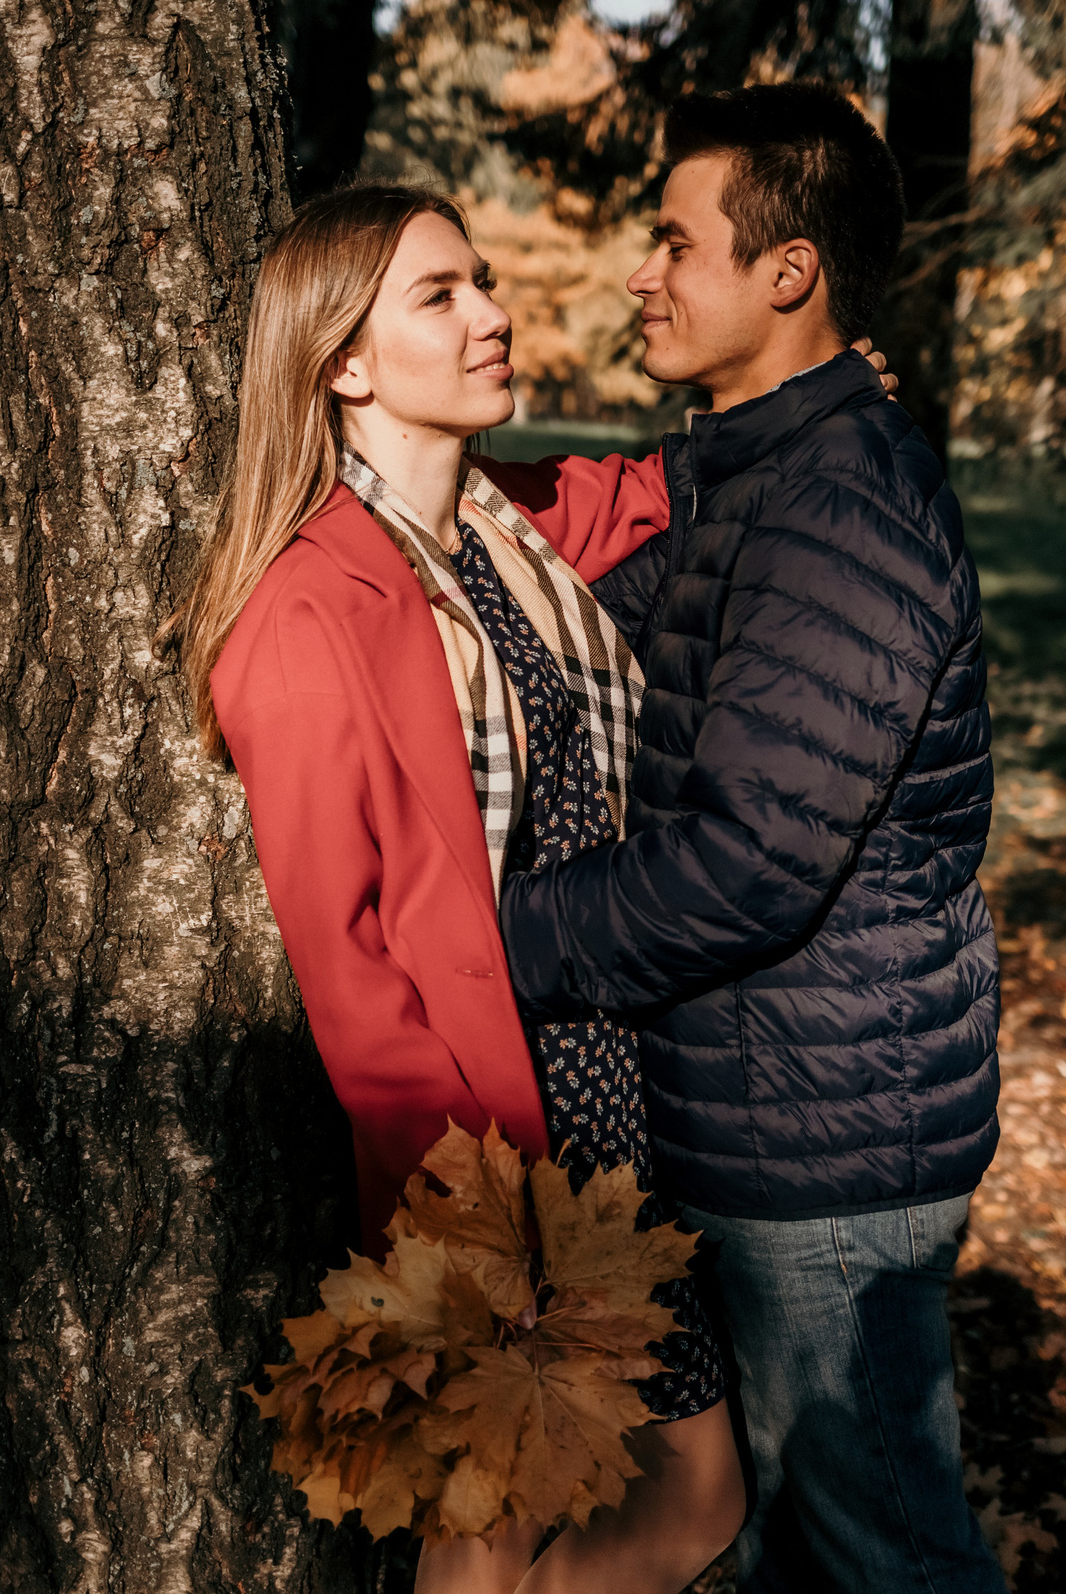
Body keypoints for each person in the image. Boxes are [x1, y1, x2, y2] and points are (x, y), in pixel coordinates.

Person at [177, 184, 741, 1594]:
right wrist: (468, 1217)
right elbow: (352, 980)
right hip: (488, 1141)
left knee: (687, 1491)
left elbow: (626, 494)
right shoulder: (301, 615)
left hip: (612, 1090)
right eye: (442, 295)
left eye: (482, 281)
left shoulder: (504, 538)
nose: (493, 313)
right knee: (494, 1529)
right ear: (346, 365)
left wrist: (799, 406)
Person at [488, 84, 1007, 1593]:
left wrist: (493, 940)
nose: (641, 274)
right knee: (792, 1550)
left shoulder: (838, 509)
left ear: (789, 274)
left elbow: (747, 864)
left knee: (884, 1556)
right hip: (762, 1104)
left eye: (675, 241)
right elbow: (586, 647)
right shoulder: (749, 481)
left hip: (828, 1144)